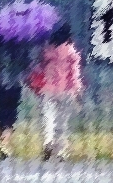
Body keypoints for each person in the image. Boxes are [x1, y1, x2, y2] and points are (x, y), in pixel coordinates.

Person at [27, 22, 85, 161]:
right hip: (66, 91)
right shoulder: (72, 53)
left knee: (48, 118)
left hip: (48, 90)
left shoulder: (47, 51)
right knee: (62, 122)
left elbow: (40, 68)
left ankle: (48, 142)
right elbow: (74, 74)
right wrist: (77, 90)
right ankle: (61, 152)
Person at [0, 35, 38, 161]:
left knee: (0, 116)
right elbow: (27, 65)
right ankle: (5, 144)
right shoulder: (21, 49)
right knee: (10, 117)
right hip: (14, 85)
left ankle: (1, 144)